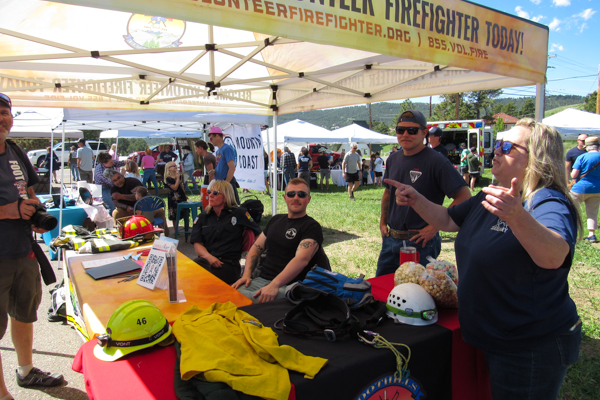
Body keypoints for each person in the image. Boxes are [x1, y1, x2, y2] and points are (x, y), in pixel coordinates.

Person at [387, 118, 582, 400]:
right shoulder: (488, 196)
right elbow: (447, 219)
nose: (496, 151)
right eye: (498, 144)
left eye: (507, 146)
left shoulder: (545, 200)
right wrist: (416, 198)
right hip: (492, 334)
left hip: (528, 344)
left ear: (536, 158)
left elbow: (555, 256)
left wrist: (517, 216)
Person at [0, 93, 65, 399]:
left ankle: (25, 371)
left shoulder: (13, 150)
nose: (1, 118)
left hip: (23, 249)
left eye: (5, 112)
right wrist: (10, 211)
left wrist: (36, 213)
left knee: (24, 313)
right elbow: (14, 204)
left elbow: (27, 190)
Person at [377, 109, 470, 276]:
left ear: (424, 133)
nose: (405, 134)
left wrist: (434, 227)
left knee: (418, 296)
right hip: (391, 239)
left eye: (412, 130)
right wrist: (383, 222)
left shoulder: (437, 161)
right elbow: (388, 193)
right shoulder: (393, 159)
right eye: (400, 130)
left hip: (420, 242)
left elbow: (464, 196)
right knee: (382, 290)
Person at [233, 178, 325, 303]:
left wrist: (274, 285)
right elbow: (255, 248)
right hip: (262, 280)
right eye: (291, 194)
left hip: (291, 285)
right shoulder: (275, 220)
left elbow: (302, 259)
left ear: (308, 199)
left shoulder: (311, 226)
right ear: (285, 198)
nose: (296, 198)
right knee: (231, 294)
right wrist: (246, 275)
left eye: (301, 194)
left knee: (242, 301)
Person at [190, 180, 262, 285]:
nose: (210, 195)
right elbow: (197, 244)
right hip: (207, 261)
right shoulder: (202, 217)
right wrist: (209, 258)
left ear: (226, 196)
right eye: (209, 192)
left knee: (199, 278)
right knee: (196, 265)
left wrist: (253, 252)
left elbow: (259, 234)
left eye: (215, 193)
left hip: (229, 264)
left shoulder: (239, 213)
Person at [570, 136, 600, 242]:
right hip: (597, 189)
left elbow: (574, 175)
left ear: (587, 147)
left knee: (572, 210)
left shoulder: (582, 157)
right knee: (592, 212)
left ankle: (572, 233)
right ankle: (592, 235)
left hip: (580, 188)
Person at [208, 126, 239, 204]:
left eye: (211, 138)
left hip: (226, 183)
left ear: (217, 136)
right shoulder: (219, 150)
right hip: (221, 183)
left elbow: (232, 168)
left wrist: (226, 185)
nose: (211, 141)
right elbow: (223, 166)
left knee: (231, 208)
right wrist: (215, 171)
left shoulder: (227, 149)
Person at [164, 161, 188, 233]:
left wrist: (184, 194)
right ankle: (176, 230)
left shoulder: (178, 175)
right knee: (175, 215)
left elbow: (181, 186)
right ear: (169, 168)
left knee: (184, 212)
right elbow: (174, 187)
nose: (175, 166)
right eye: (173, 166)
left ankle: (186, 228)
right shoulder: (168, 178)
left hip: (181, 196)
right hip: (173, 198)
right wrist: (177, 179)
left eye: (175, 165)